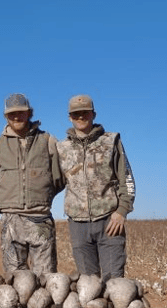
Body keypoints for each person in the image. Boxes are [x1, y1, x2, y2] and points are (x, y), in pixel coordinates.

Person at [57, 94, 135, 282]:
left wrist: (122, 211)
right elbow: (54, 182)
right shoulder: (61, 148)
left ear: (93, 114)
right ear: (70, 117)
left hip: (109, 222)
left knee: (114, 282)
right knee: (88, 284)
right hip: (78, 225)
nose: (81, 117)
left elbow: (127, 179)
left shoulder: (111, 141)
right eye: (76, 114)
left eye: (85, 113)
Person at [0, 93, 64, 275]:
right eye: (11, 114)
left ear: (29, 113)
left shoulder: (48, 140)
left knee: (46, 279)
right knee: (15, 280)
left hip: (41, 218)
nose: (16, 117)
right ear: (6, 117)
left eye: (21, 113)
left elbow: (60, 176)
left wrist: (42, 194)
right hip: (11, 219)